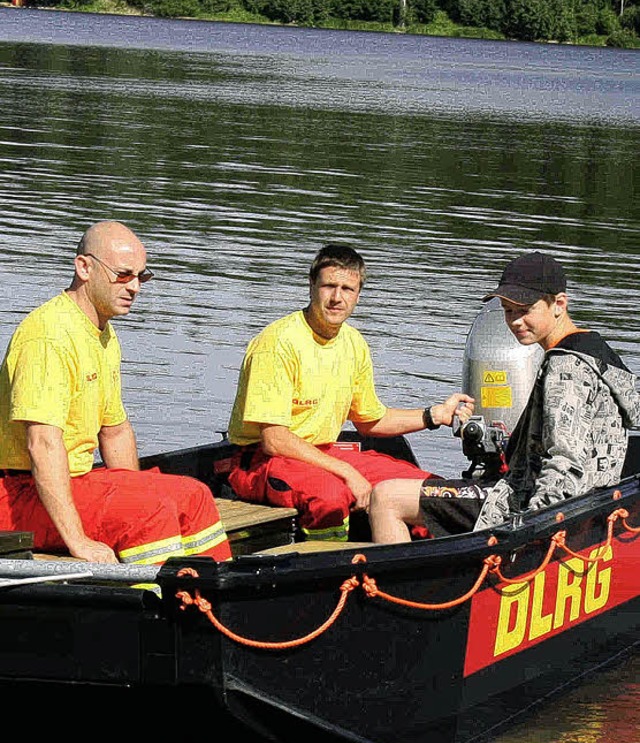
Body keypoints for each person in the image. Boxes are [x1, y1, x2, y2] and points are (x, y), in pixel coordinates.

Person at [0, 220, 232, 565]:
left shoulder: (103, 334)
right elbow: (42, 444)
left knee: (194, 495)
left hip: (76, 479)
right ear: (84, 267)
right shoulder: (48, 336)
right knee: (149, 513)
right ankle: (156, 603)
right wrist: (79, 542)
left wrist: (136, 489)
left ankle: (219, 594)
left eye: (142, 277)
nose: (135, 287)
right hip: (18, 493)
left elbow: (115, 431)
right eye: (123, 275)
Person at [369, 251, 640, 543]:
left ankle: (395, 589)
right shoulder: (596, 351)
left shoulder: (565, 368)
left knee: (386, 497)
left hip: (525, 505)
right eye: (508, 311)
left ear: (559, 304)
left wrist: (531, 534)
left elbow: (565, 464)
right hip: (586, 504)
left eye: (525, 310)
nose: (515, 322)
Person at [226, 242, 473, 541]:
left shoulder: (354, 343)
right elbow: (274, 440)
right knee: (329, 496)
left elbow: (370, 421)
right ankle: (329, 565)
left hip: (322, 452)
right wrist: (347, 471)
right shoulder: (278, 343)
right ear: (311, 285)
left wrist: (434, 415)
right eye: (329, 286)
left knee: (432, 490)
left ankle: (427, 565)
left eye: (347, 289)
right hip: (260, 460)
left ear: (358, 294)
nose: (336, 298)